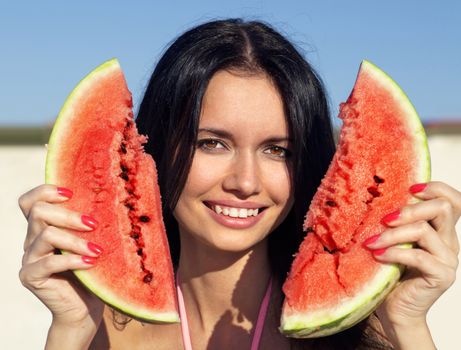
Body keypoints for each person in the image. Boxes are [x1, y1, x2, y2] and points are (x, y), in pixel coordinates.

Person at [18, 19, 460, 350]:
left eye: (277, 151)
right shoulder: (97, 333)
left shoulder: (368, 333)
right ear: (144, 153)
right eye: (211, 143)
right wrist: (70, 330)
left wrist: (407, 323)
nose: (246, 182)